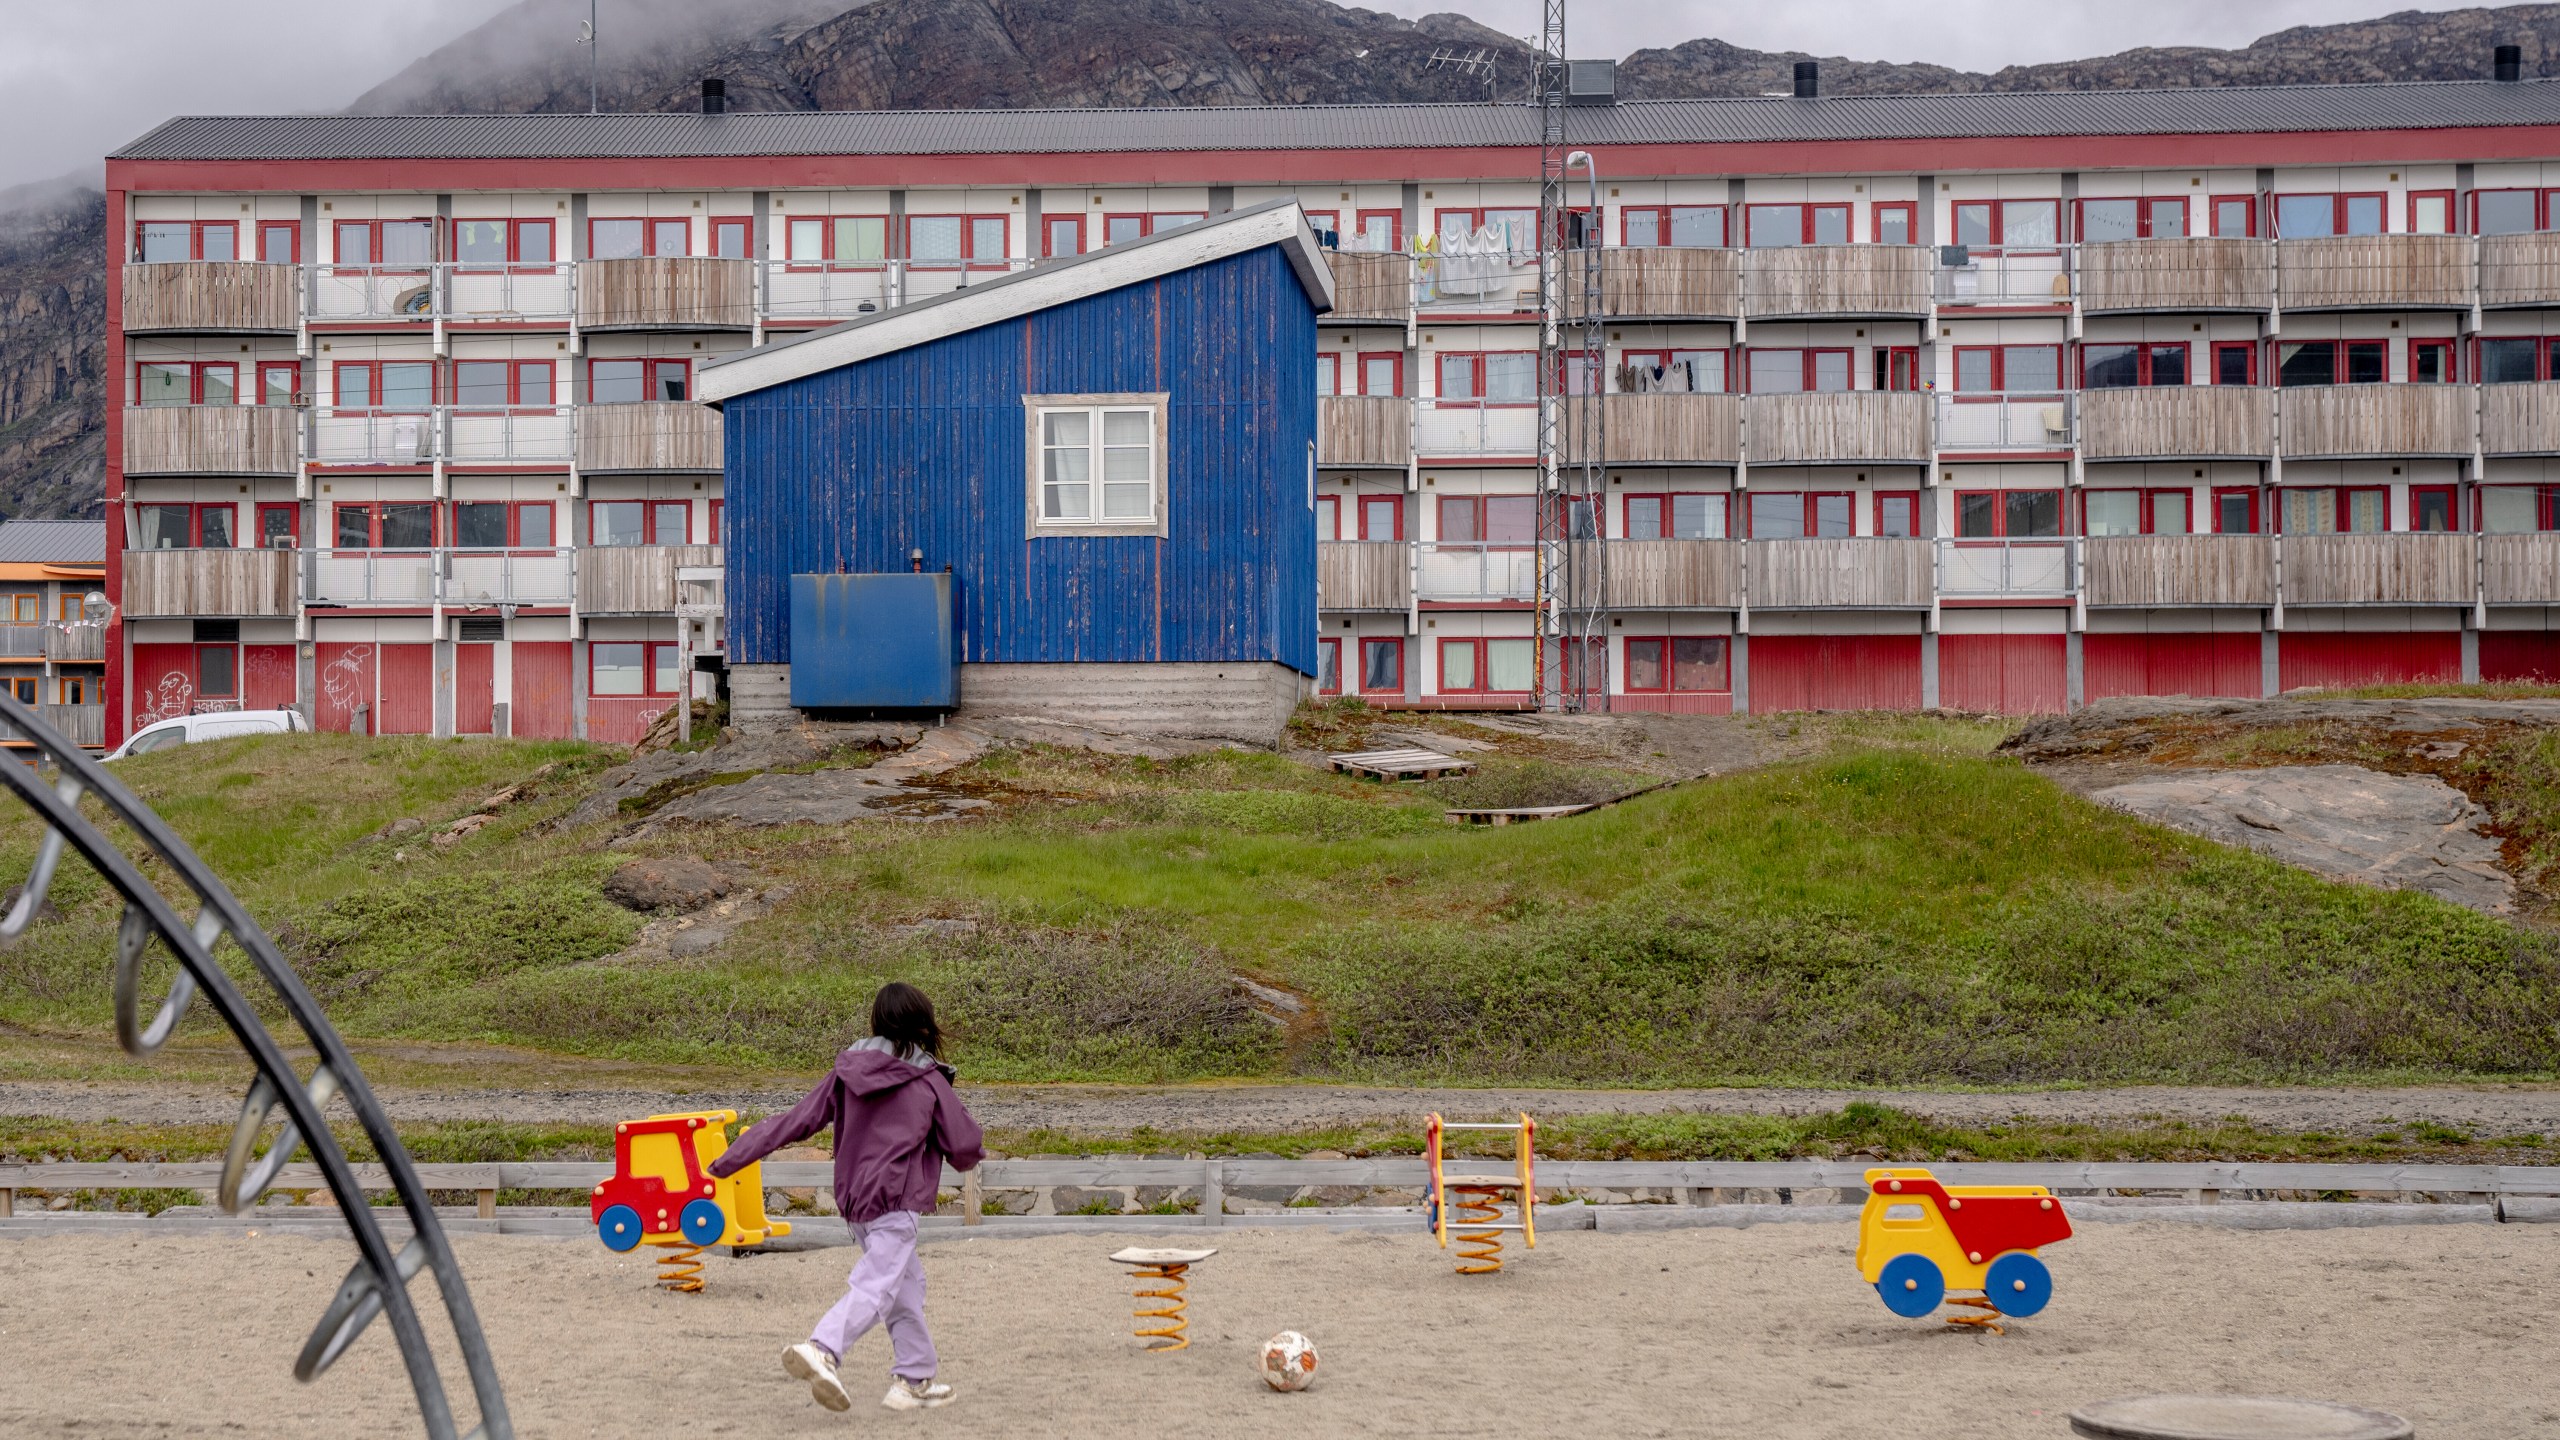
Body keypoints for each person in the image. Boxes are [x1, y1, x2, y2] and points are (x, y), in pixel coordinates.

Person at [709, 982, 984, 1413]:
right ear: (923, 1024)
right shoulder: (928, 1080)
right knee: (877, 1284)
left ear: (876, 1021)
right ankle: (824, 1349)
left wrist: (727, 1160)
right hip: (896, 1200)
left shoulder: (847, 1072)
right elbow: (965, 1147)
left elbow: (796, 1121)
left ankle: (913, 1379)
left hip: (856, 1203)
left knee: (904, 1286)